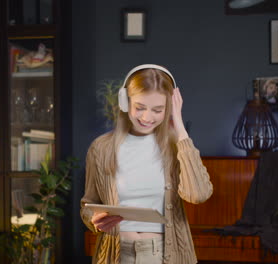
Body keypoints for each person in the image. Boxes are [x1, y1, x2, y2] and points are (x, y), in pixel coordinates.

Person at [80, 64, 213, 264]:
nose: (146, 117)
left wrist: (180, 130)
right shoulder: (101, 148)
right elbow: (88, 203)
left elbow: (198, 194)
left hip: (164, 255)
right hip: (115, 254)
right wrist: (94, 218)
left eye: (158, 110)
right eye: (140, 107)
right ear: (125, 102)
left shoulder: (176, 146)